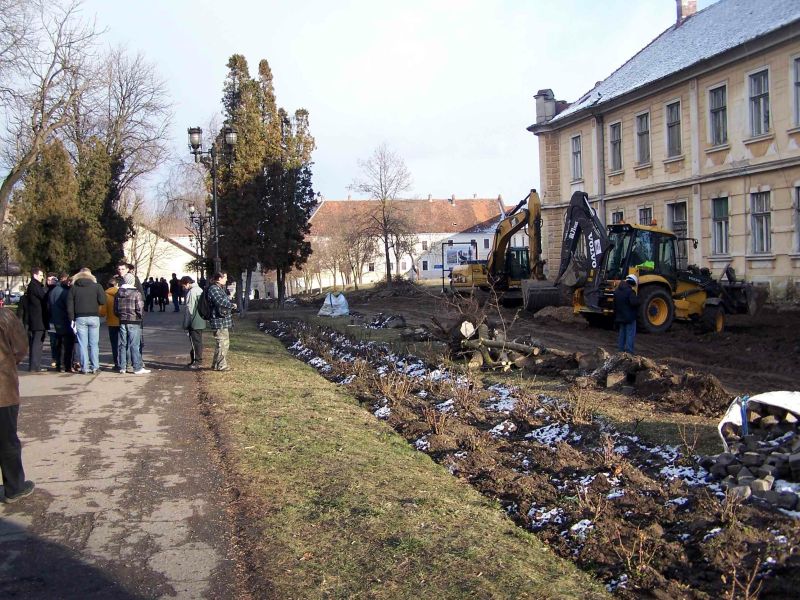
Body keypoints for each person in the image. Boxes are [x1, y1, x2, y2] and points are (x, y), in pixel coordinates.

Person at [0, 305, 35, 503]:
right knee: (6, 440)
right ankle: (14, 487)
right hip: (3, 389)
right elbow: (20, 348)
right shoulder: (4, 316)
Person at [67, 268, 105, 374]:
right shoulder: (97, 286)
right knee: (94, 344)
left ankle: (84, 367)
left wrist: (71, 319)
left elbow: (69, 306)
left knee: (82, 344)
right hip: (94, 317)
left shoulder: (73, 288)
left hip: (80, 318)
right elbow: (102, 301)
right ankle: (95, 366)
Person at [115, 273, 149, 375]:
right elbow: (140, 308)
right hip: (134, 321)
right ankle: (137, 367)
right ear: (132, 281)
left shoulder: (118, 293)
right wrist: (140, 317)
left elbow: (115, 309)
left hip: (122, 320)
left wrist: (120, 316)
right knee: (135, 345)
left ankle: (122, 367)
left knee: (122, 344)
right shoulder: (136, 293)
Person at [207, 271, 236, 372]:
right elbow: (220, 301)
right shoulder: (213, 288)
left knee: (223, 343)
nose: (226, 279)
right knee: (222, 343)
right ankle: (221, 366)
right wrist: (231, 305)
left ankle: (215, 364)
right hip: (218, 320)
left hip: (222, 320)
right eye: (225, 277)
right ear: (219, 278)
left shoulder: (218, 288)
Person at [48, 273, 75, 372]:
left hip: (55, 320)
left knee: (58, 343)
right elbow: (68, 306)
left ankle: (59, 364)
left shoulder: (53, 290)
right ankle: (66, 365)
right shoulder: (65, 291)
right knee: (67, 344)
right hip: (65, 321)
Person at [24, 267, 48, 372]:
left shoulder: (35, 286)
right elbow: (44, 297)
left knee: (38, 342)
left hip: (37, 318)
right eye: (41, 275)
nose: (42, 277)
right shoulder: (34, 286)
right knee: (37, 342)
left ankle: (36, 365)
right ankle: (34, 366)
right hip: (37, 318)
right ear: (35, 275)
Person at [181, 276, 205, 369]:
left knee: (195, 342)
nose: (184, 288)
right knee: (198, 341)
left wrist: (185, 324)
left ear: (187, 283)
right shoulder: (199, 289)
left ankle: (197, 361)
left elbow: (189, 309)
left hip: (194, 320)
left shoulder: (191, 292)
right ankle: (196, 360)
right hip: (200, 319)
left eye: (184, 285)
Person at [614, 274, 641, 354]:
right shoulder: (630, 292)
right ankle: (629, 352)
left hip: (620, 317)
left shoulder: (617, 291)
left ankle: (620, 352)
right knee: (630, 335)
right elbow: (634, 303)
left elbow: (614, 305)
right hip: (630, 318)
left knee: (621, 335)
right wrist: (639, 299)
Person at [100, 276, 121, 371]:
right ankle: (124, 362)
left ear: (107, 285)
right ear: (117, 284)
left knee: (114, 343)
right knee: (124, 343)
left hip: (112, 322)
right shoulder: (122, 293)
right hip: (122, 321)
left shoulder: (105, 295)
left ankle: (117, 363)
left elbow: (102, 312)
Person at [45, 273, 58, 368]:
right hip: (51, 320)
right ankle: (54, 358)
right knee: (53, 340)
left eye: (52, 279)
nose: (50, 281)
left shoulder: (57, 290)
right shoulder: (46, 291)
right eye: (48, 280)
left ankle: (59, 358)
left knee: (60, 340)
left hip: (59, 319)